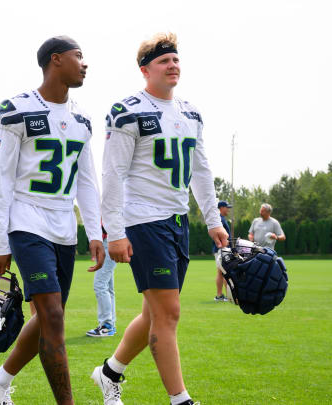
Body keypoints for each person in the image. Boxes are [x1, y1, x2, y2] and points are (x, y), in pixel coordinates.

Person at [93, 32, 228, 405]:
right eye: (165, 61)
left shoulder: (191, 113)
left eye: (176, 60)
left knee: (153, 315)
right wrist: (115, 231)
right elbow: (113, 174)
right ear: (145, 70)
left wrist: (213, 221)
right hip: (143, 222)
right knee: (169, 313)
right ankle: (180, 399)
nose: (174, 66)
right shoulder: (128, 110)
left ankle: (108, 374)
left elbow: (201, 171)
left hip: (177, 221)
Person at [0, 35, 104, 405]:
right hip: (26, 220)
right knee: (52, 316)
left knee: (51, 318)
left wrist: (94, 231)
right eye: (78, 56)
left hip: (64, 227)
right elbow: (1, 181)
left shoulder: (81, 120)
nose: (85, 64)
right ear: (56, 60)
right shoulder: (16, 109)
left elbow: (87, 180)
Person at [86, 225, 117, 337]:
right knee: (108, 287)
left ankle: (107, 326)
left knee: (100, 284)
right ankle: (110, 325)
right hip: (107, 241)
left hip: (109, 241)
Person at [213, 201, 232, 301]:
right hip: (221, 248)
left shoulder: (222, 218)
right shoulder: (219, 219)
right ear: (221, 208)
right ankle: (228, 296)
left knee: (221, 272)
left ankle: (220, 295)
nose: (228, 209)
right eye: (227, 207)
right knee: (225, 272)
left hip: (221, 249)